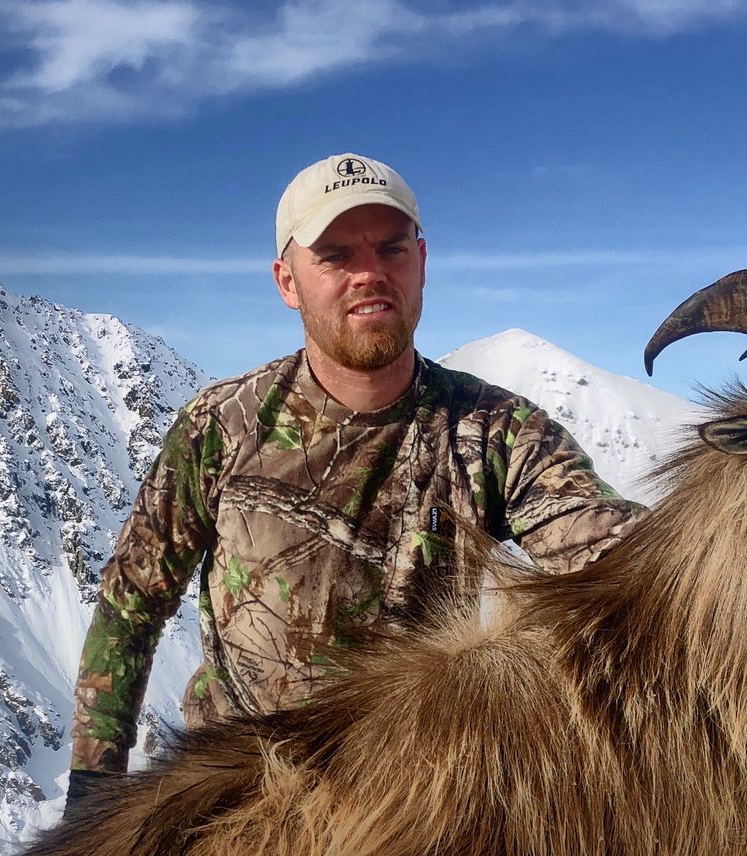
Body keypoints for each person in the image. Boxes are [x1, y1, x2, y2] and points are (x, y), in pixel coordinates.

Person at [67, 153, 641, 796]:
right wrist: (93, 781)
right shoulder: (223, 424)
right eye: (336, 256)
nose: (370, 274)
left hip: (410, 804)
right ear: (288, 282)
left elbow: (617, 557)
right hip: (234, 796)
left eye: (391, 249)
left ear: (421, 263)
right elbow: (132, 599)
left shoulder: (498, 432)